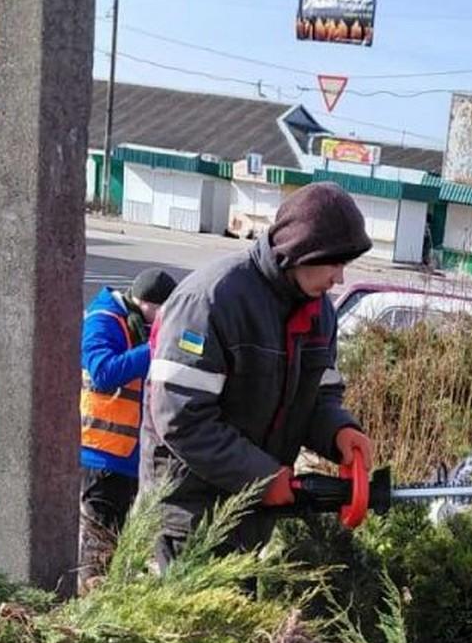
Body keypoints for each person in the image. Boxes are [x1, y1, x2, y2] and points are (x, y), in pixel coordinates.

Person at [140, 182, 375, 569]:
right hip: (189, 518)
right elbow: (181, 416)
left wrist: (337, 431)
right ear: (301, 250)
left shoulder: (321, 313)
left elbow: (319, 396)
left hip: (249, 515)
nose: (340, 279)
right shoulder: (210, 301)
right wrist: (261, 478)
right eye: (334, 263)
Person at [79, 267, 178, 589]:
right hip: (103, 453)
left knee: (112, 543)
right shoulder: (103, 319)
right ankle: (92, 605)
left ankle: (102, 597)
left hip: (128, 455)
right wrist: (157, 348)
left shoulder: (134, 321)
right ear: (146, 303)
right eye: (161, 314)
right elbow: (103, 371)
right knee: (99, 549)